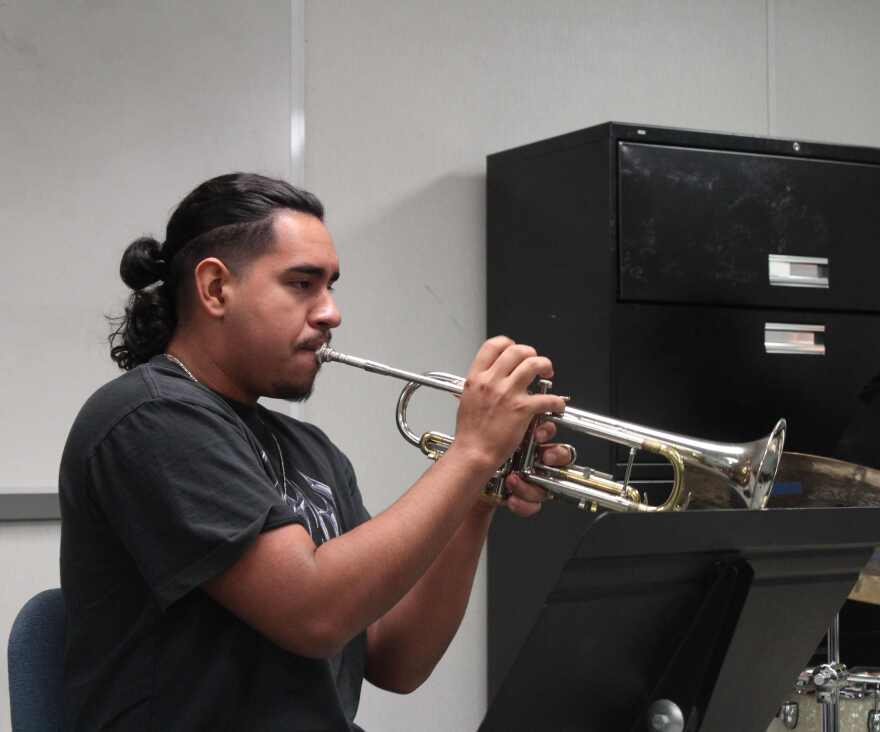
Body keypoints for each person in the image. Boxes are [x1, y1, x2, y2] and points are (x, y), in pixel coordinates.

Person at [59, 172, 571, 731]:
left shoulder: (308, 448)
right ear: (214, 289)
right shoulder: (148, 418)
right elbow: (314, 613)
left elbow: (398, 660)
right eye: (302, 283)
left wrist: (480, 494)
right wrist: (471, 452)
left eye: (330, 285)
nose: (331, 313)